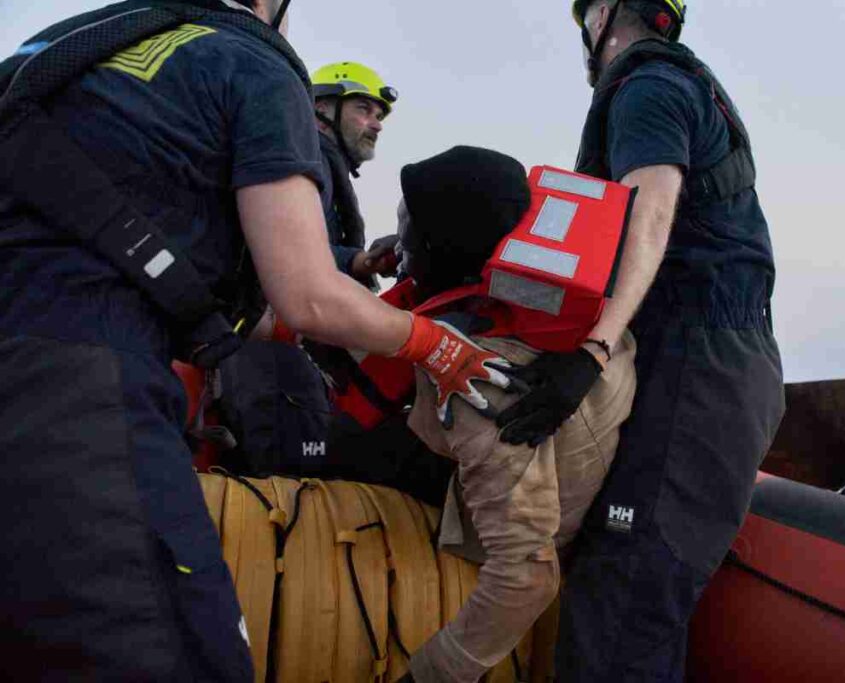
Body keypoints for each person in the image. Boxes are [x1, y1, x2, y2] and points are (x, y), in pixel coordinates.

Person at [0, 1, 511, 678]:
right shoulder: (253, 63)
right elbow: (304, 293)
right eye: (363, 108)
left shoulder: (71, 50)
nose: (374, 123)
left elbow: (220, 294)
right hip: (77, 379)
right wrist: (435, 344)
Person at [493, 1, 786, 679]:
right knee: (617, 591)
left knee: (620, 607)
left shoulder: (647, 86)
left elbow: (650, 214)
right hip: (704, 362)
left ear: (602, 14)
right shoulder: (682, 85)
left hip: (700, 370)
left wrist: (592, 352)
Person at [385, 146, 638, 683]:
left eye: (410, 232)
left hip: (518, 512)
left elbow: (526, 576)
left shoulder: (481, 380)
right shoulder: (573, 323)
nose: (399, 246)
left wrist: (430, 675)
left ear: (441, 247)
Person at [310, 61, 400, 287]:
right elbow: (285, 246)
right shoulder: (307, 161)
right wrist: (359, 261)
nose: (377, 126)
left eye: (378, 116)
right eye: (363, 109)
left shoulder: (325, 165)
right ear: (321, 111)